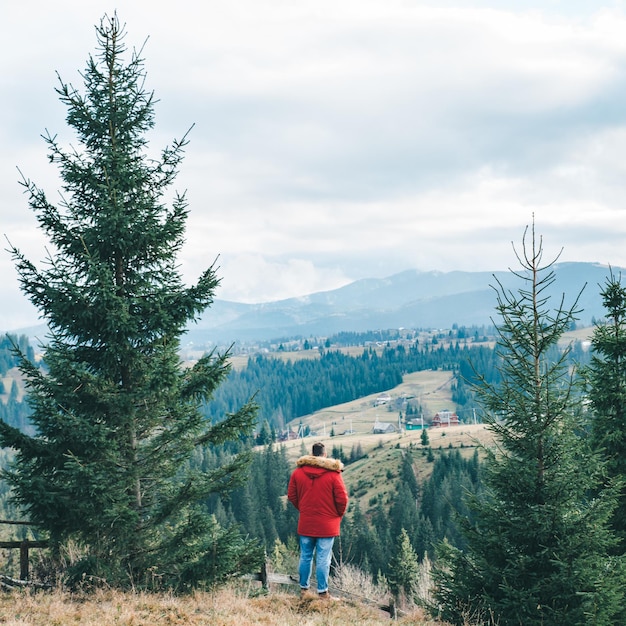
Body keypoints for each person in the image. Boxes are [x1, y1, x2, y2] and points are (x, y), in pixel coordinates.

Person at [287, 441, 349, 600]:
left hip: (306, 522)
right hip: (327, 525)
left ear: (311, 454)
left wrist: (304, 509)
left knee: (305, 556)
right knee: (323, 558)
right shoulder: (334, 475)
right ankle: (323, 593)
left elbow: (292, 496)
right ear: (324, 454)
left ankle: (304, 590)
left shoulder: (298, 473)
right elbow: (342, 500)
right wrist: (337, 515)